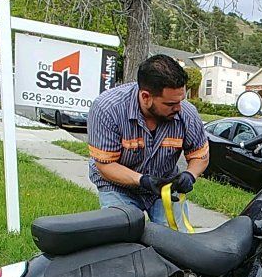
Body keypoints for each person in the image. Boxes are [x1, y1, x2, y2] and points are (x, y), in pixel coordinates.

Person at [87, 54, 209, 228]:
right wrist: (142, 180)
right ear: (146, 97)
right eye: (170, 104)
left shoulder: (186, 113)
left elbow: (200, 155)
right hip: (117, 187)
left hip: (165, 187)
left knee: (176, 244)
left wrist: (191, 174)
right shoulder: (108, 109)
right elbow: (105, 165)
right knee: (122, 236)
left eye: (181, 100)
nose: (179, 108)